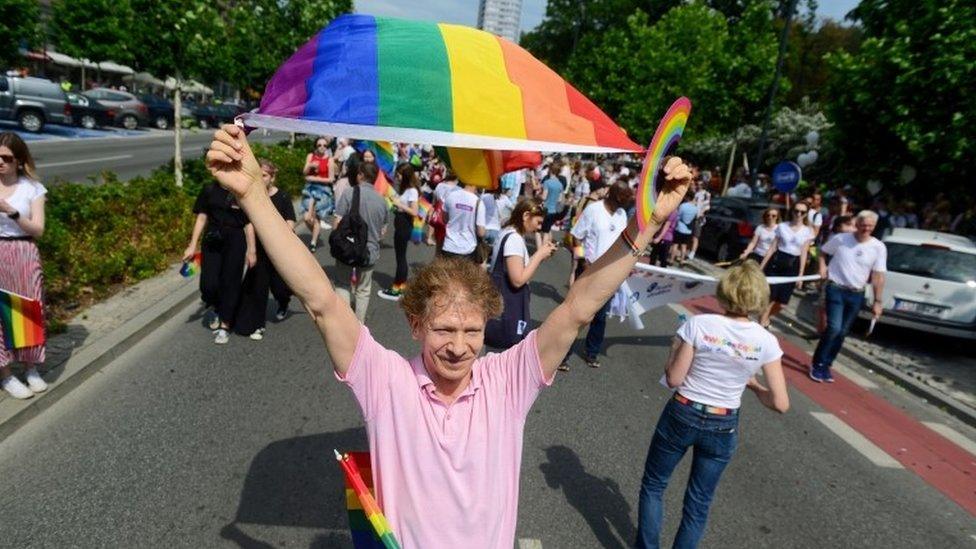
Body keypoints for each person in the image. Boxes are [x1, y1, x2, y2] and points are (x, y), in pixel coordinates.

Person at [205, 124, 692, 548]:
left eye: (472, 330)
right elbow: (321, 300)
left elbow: (578, 307)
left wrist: (647, 223)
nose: (458, 346)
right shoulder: (386, 382)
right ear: (415, 324)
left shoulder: (508, 380)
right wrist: (251, 195)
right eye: (443, 329)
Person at [637, 261, 789, 548]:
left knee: (655, 485)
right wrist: (755, 387)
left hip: (684, 409)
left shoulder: (699, 324)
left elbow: (673, 378)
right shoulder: (766, 342)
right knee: (698, 504)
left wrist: (673, 350)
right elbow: (780, 403)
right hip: (723, 421)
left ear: (724, 291)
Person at [561, 182, 634, 369]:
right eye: (627, 197)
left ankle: (591, 352)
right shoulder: (593, 210)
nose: (629, 201)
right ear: (617, 196)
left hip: (609, 275)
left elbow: (622, 241)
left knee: (600, 317)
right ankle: (562, 354)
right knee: (578, 314)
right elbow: (576, 235)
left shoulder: (622, 215)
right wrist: (582, 259)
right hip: (588, 270)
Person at [809, 211, 887, 382]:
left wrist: (878, 301)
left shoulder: (878, 247)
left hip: (856, 293)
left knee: (843, 332)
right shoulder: (842, 239)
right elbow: (822, 251)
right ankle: (817, 364)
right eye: (863, 224)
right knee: (834, 328)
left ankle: (828, 364)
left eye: (870, 225)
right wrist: (822, 267)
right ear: (857, 224)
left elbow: (878, 275)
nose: (866, 228)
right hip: (836, 288)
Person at [0, 132, 49, 399]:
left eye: (6, 158)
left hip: (23, 249)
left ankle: (31, 368)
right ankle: (5, 375)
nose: (0, 162)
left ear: (18, 160)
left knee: (26, 310)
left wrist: (12, 212)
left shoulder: (33, 189)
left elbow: (39, 229)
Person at [184, 176, 254, 345]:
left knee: (231, 282)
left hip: (236, 240)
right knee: (208, 284)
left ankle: (224, 325)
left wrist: (252, 250)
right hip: (212, 239)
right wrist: (192, 245)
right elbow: (201, 218)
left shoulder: (241, 191)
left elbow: (248, 223)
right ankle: (215, 305)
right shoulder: (209, 189)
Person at [234, 159, 296, 337]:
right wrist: (251, 249)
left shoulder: (282, 197)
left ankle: (283, 301)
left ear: (272, 177)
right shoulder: (254, 198)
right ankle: (258, 324)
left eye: (265, 175)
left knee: (279, 287)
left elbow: (290, 221)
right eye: (258, 175)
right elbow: (249, 223)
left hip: (279, 250)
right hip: (261, 251)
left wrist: (279, 239)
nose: (261, 179)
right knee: (258, 289)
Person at [485, 198, 558, 349]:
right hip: (507, 307)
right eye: (538, 222)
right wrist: (539, 255)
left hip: (497, 301)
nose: (538, 228)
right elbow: (518, 280)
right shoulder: (514, 239)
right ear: (526, 216)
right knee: (503, 356)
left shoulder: (507, 232)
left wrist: (540, 255)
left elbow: (518, 266)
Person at [331, 162, 390, 322]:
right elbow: (382, 232)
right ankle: (359, 324)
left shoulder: (350, 193)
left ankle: (344, 321)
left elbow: (338, 220)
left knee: (342, 283)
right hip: (369, 251)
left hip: (347, 248)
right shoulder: (382, 200)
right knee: (363, 290)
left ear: (361, 175)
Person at [759, 202, 815, 328]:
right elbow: (773, 247)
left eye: (802, 212)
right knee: (771, 298)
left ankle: (765, 317)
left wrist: (801, 274)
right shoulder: (782, 226)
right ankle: (761, 324)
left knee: (782, 303)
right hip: (777, 261)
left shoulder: (808, 231)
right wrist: (761, 266)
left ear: (806, 214)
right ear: (792, 211)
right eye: (796, 211)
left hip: (793, 264)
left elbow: (804, 252)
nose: (798, 214)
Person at [379, 164, 421, 301]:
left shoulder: (412, 191)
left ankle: (396, 288)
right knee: (400, 257)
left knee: (401, 257)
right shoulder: (407, 189)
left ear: (406, 175)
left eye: (399, 175)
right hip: (401, 224)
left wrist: (399, 204)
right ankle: (401, 286)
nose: (397, 177)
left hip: (404, 226)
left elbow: (414, 211)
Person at [300, 137, 336, 251]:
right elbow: (304, 173)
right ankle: (316, 232)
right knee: (306, 218)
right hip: (309, 189)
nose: (322, 147)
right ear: (316, 146)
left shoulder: (329, 160)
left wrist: (314, 178)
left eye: (324, 145)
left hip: (323, 191)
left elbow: (331, 179)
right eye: (319, 145)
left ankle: (313, 242)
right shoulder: (311, 156)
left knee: (316, 218)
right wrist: (310, 166)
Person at [440, 179, 486, 262]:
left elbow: (444, 219)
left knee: (447, 274)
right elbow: (481, 232)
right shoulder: (478, 202)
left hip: (449, 246)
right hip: (467, 249)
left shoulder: (451, 195)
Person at [672, 193, 698, 265]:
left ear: (687, 198)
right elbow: (696, 218)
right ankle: (682, 260)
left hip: (680, 228)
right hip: (688, 230)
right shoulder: (695, 208)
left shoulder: (683, 206)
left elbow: (678, 216)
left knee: (675, 244)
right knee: (684, 246)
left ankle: (671, 260)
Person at [540, 165, 564, 242]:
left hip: (546, 209)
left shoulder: (547, 182)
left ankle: (543, 248)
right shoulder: (560, 184)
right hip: (554, 210)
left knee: (545, 232)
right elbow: (559, 199)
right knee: (548, 229)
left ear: (551, 171)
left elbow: (544, 197)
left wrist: (538, 195)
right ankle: (549, 246)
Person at [688, 181, 710, 260]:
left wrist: (701, 213)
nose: (698, 185)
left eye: (699, 184)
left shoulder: (706, 194)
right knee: (690, 235)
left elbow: (707, 206)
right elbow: (693, 202)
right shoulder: (697, 193)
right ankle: (688, 251)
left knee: (695, 236)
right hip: (692, 215)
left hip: (699, 218)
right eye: (698, 184)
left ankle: (693, 252)